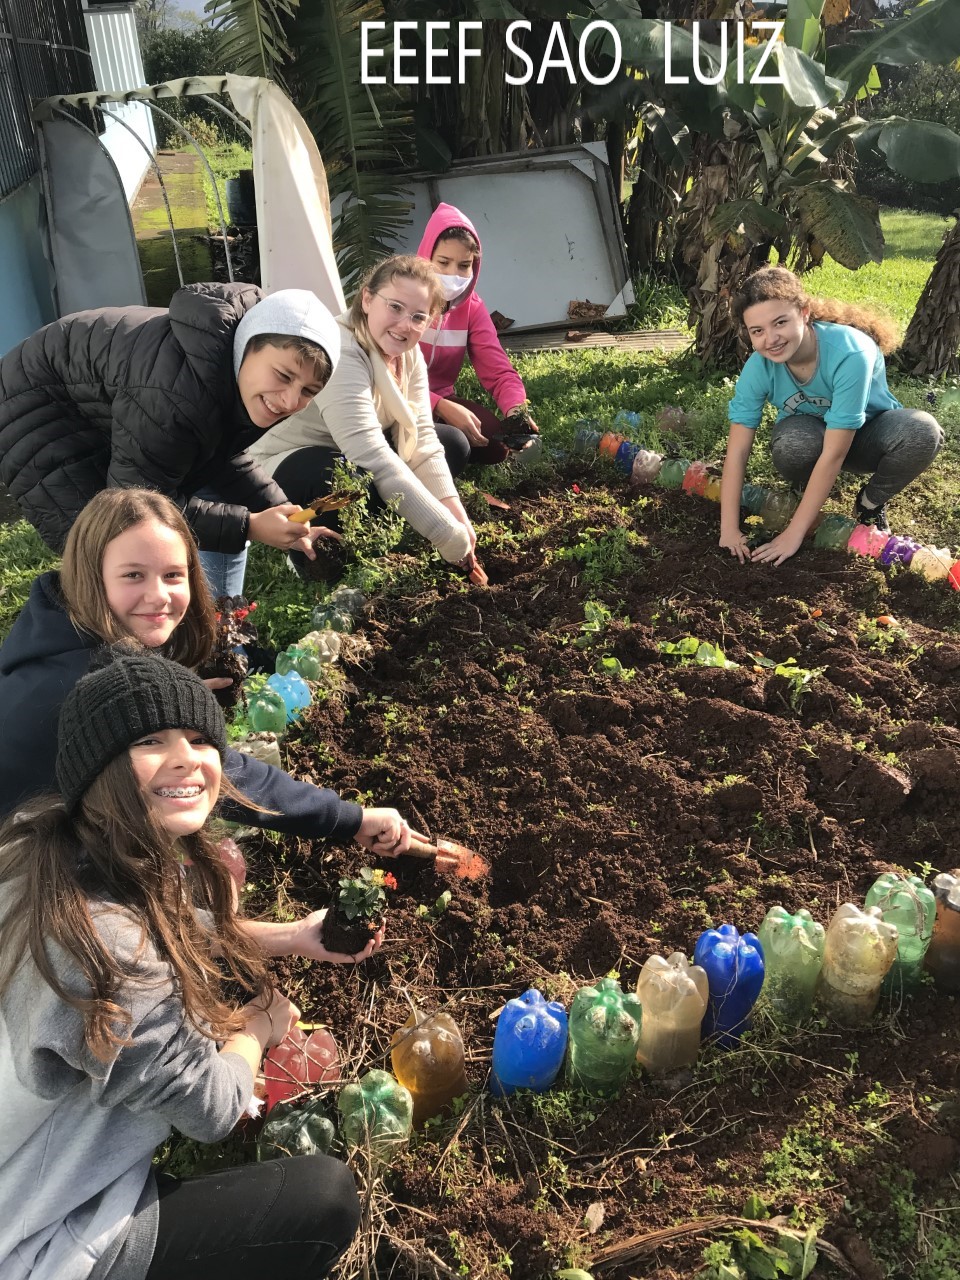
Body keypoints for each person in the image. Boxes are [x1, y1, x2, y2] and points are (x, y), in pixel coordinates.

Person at [0, 646, 362, 1280]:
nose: (187, 758)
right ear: (99, 769)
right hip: (33, 1229)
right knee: (324, 1198)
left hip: (20, 1136)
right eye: (150, 740)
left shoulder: (42, 850)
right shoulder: (106, 951)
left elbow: (174, 930)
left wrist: (292, 936)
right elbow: (213, 1111)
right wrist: (258, 1027)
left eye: (200, 737)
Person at [0, 488, 418, 966]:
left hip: (43, 847)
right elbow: (220, 775)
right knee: (189, 875)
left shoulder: (55, 629)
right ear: (92, 576)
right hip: (30, 894)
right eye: (133, 575)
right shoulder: (88, 684)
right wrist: (350, 819)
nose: (158, 596)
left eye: (173, 575)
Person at [0, 283, 343, 596]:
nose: (288, 400)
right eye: (283, 376)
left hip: (106, 403)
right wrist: (249, 526)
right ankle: (92, 652)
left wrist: (284, 516)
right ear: (246, 346)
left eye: (308, 391)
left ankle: (216, 634)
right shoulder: (178, 395)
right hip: (36, 410)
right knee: (107, 548)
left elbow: (220, 457)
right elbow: (133, 504)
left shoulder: (239, 375)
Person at [246, 255, 483, 581]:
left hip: (350, 455)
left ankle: (386, 518)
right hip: (289, 466)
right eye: (395, 307)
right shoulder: (341, 349)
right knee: (348, 481)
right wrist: (445, 534)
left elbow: (423, 436)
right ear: (368, 299)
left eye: (418, 317)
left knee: (451, 443)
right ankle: (307, 552)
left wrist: (455, 516)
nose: (404, 325)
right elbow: (371, 455)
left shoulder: (407, 352)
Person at [720, 266, 943, 566]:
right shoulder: (759, 368)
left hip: (867, 436)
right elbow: (737, 451)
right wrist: (729, 530)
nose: (770, 339)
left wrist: (792, 535)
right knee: (791, 442)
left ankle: (869, 503)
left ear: (804, 313)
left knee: (922, 431)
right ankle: (805, 490)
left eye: (780, 322)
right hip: (811, 435)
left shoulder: (850, 353)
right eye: (757, 331)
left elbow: (835, 454)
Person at [416, 203, 539, 464]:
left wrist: (516, 411)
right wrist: (440, 405)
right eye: (443, 262)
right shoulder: (405, 300)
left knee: (495, 445)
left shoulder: (472, 308)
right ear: (426, 257)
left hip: (442, 404)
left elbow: (498, 371)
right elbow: (386, 374)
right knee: (453, 445)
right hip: (396, 400)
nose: (453, 274)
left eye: (464, 265)